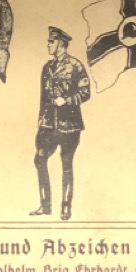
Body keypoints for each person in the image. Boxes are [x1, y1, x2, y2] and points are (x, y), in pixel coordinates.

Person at [30, 26, 91, 220]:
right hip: (48, 124)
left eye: (51, 41)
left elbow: (85, 92)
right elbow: (43, 98)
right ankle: (45, 205)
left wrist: (66, 100)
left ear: (61, 44)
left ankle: (66, 207)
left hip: (69, 124)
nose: (48, 45)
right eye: (48, 41)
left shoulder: (75, 65)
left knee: (66, 163)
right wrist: (41, 120)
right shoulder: (46, 67)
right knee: (39, 159)